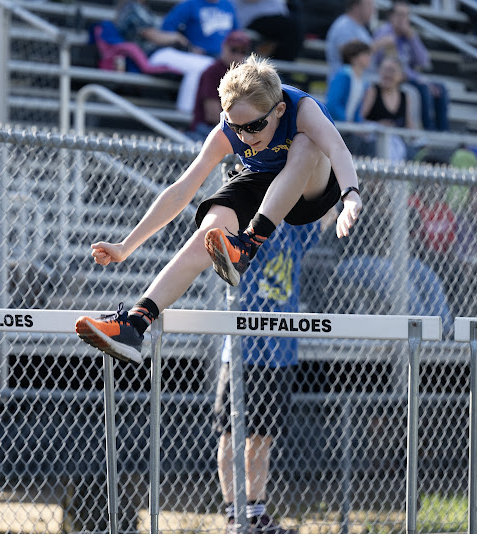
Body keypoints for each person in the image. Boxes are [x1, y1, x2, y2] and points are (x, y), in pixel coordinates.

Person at [75, 54, 362, 364]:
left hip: (311, 190)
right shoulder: (227, 131)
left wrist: (350, 196)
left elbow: (337, 149)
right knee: (206, 236)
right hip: (261, 179)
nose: (246, 137)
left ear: (279, 110)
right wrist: (125, 246)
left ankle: (248, 244)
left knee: (305, 145)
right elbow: (181, 190)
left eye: (255, 126)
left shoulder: (302, 110)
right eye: (237, 128)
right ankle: (135, 324)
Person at [215, 212, 333, 534]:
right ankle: (233, 514)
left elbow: (326, 213)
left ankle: (256, 511)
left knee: (263, 437)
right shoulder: (249, 227)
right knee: (230, 434)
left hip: (280, 354)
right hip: (242, 350)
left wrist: (336, 171)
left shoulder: (294, 231)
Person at [115, 0, 215, 113]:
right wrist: (177, 37)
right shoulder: (131, 8)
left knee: (208, 65)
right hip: (150, 55)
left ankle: (189, 116)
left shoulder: (143, 8)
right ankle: (184, 116)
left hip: (160, 52)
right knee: (205, 66)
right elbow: (154, 36)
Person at [372, 1, 449, 132]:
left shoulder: (409, 35)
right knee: (424, 88)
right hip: (392, 78)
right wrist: (420, 80)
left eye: (406, 15)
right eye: (400, 15)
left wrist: (413, 39)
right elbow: (394, 66)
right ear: (391, 16)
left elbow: (424, 61)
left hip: (410, 77)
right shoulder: (384, 33)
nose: (403, 19)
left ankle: (444, 131)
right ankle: (428, 131)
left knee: (441, 88)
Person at [188, 30, 251, 141]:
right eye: (234, 50)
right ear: (224, 47)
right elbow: (212, 115)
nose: (238, 55)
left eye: (243, 51)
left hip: (230, 127)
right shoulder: (212, 72)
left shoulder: (243, 74)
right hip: (207, 129)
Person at [325, 40, 376, 156]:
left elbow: (356, 109)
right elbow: (333, 103)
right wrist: (346, 121)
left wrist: (358, 125)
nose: (369, 58)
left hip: (348, 128)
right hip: (338, 127)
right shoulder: (343, 75)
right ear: (353, 58)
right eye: (365, 54)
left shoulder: (361, 80)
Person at [361, 54, 416, 161]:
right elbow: (360, 120)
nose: (387, 74)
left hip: (397, 145)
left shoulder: (405, 96)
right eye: (384, 69)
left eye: (392, 70)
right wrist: (378, 125)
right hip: (373, 144)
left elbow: (410, 125)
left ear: (401, 76)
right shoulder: (373, 91)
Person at [324, 0, 393, 80]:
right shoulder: (344, 27)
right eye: (369, 5)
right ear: (356, 7)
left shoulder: (360, 27)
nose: (373, 10)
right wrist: (380, 44)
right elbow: (350, 55)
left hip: (360, 80)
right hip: (346, 83)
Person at [161, 0, 239, 58]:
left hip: (224, 56)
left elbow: (237, 33)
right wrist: (187, 46)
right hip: (198, 55)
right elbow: (167, 27)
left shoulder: (228, 5)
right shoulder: (190, 4)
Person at [233, 0, 302, 61]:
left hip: (274, 24)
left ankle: (280, 70)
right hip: (246, 21)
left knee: (293, 28)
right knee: (289, 28)